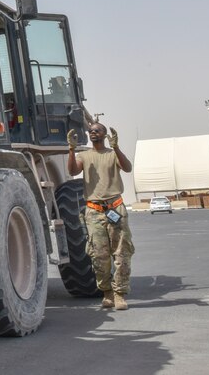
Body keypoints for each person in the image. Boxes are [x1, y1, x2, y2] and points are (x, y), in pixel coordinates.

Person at [67, 122, 134, 311]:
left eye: (97, 131)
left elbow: (127, 167)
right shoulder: (84, 156)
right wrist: (71, 150)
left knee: (122, 253)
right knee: (99, 255)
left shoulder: (112, 154)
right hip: (94, 211)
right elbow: (72, 171)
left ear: (105, 134)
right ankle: (107, 293)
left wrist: (116, 147)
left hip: (115, 208)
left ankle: (120, 294)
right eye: (90, 131)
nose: (93, 133)